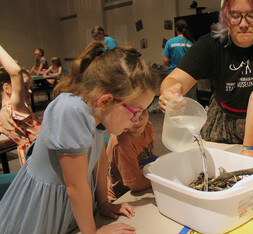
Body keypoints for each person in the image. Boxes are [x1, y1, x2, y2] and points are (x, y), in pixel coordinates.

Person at [0, 41, 158, 233]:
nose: (137, 120)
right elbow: (75, 186)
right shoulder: (70, 111)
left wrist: (103, 202)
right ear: (107, 100)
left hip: (67, 204)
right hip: (41, 208)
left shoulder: (96, 111)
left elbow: (99, 160)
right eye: (136, 112)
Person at [159, 0, 253, 161]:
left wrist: (249, 147)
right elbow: (175, 78)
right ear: (225, 17)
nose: (243, 24)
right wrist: (171, 92)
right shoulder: (210, 44)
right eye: (235, 16)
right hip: (223, 118)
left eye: (252, 16)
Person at [0, 45, 41, 165]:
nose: (30, 91)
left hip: (31, 158)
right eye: (25, 87)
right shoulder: (14, 107)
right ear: (7, 88)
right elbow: (16, 72)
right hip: (37, 156)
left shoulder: (4, 111)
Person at [107, 108, 158, 203]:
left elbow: (147, 155)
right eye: (131, 113)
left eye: (142, 111)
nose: (138, 120)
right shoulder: (123, 144)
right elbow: (135, 184)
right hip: (120, 196)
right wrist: (160, 178)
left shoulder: (147, 126)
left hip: (141, 176)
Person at [162, 19, 197, 100]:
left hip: (173, 77)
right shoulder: (191, 43)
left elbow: (165, 60)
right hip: (189, 78)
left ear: (176, 29)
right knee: (189, 103)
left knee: (175, 103)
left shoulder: (170, 42)